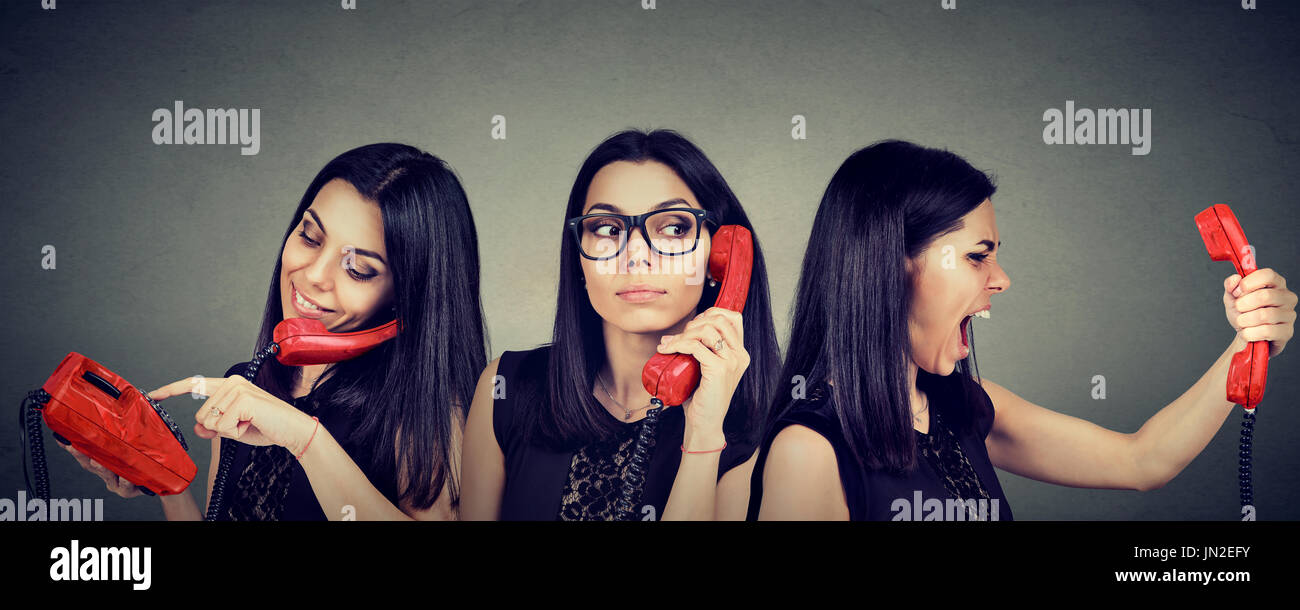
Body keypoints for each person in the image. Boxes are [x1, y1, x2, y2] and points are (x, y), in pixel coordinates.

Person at [749, 139, 1296, 521]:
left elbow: (1142, 460)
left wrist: (1248, 345)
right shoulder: (809, 451)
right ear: (889, 266)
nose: (1002, 280)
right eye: (977, 257)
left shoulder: (966, 405)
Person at [63, 143, 487, 520]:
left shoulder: (427, 410)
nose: (314, 274)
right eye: (309, 236)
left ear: (405, 298)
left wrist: (304, 438)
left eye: (358, 268)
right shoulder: (246, 383)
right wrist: (164, 482)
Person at [461, 129, 781, 520]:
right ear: (578, 259)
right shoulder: (506, 388)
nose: (636, 256)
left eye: (674, 227)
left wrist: (703, 433)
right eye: (608, 230)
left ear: (720, 257)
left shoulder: (760, 427)